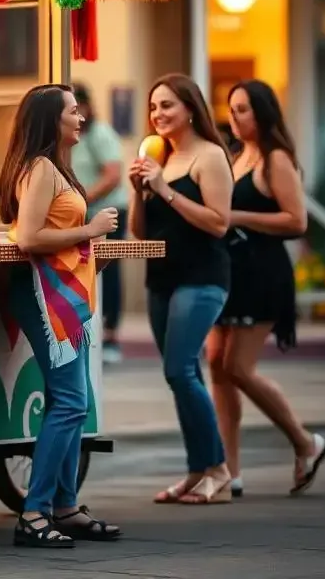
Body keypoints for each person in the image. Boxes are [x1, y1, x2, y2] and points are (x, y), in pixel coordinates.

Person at [0, 84, 121, 547]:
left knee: (72, 400)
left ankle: (65, 506)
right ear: (52, 120)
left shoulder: (54, 167)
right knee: (70, 401)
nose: (81, 116)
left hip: (62, 293)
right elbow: (29, 237)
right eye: (73, 111)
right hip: (44, 295)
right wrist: (90, 229)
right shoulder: (41, 168)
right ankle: (35, 513)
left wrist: (90, 244)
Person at [209, 80, 325, 497]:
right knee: (217, 366)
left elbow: (297, 221)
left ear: (262, 112)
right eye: (232, 108)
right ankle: (230, 468)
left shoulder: (276, 158)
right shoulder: (238, 156)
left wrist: (238, 216)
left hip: (262, 273)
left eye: (243, 109)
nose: (235, 116)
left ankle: (305, 442)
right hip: (230, 272)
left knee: (238, 368)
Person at [128, 74, 234, 505]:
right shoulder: (159, 158)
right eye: (154, 107)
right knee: (181, 376)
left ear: (190, 108)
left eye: (167, 105)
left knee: (180, 370)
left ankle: (220, 470)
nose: (158, 114)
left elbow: (219, 223)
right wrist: (139, 191)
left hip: (202, 277)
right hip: (161, 279)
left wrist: (165, 190)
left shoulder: (209, 157)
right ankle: (197, 471)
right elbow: (139, 231)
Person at [71, 84, 129, 364]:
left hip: (107, 209)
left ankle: (111, 335)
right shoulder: (71, 136)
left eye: (76, 106)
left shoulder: (99, 133)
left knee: (109, 269)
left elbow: (112, 175)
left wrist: (81, 198)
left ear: (87, 106)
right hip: (83, 214)